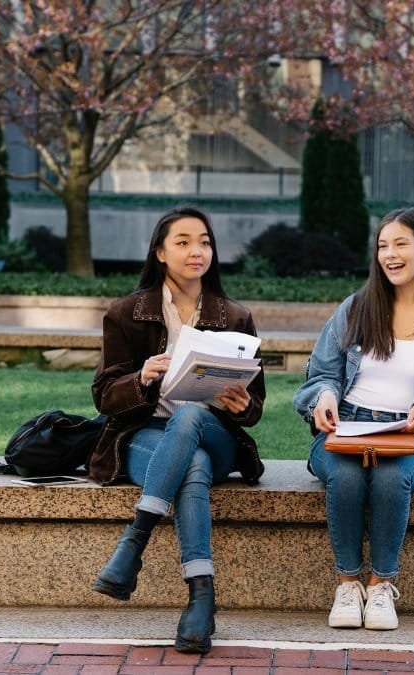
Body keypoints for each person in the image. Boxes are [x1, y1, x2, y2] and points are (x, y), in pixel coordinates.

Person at [87, 205, 266, 654]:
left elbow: (255, 405)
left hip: (214, 433)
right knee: (193, 465)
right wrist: (142, 378)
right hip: (146, 436)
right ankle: (202, 597)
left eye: (204, 241)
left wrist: (242, 404)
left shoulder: (235, 317)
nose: (196, 251)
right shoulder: (126, 313)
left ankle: (136, 540)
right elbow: (104, 395)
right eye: (183, 242)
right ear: (160, 252)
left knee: (190, 419)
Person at [294, 206, 414, 631]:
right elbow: (321, 374)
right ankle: (347, 583)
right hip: (347, 428)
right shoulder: (355, 309)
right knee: (344, 475)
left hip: (413, 439)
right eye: (383, 245)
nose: (390, 254)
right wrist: (324, 397)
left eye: (401, 244)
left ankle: (380, 586)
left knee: (388, 476)